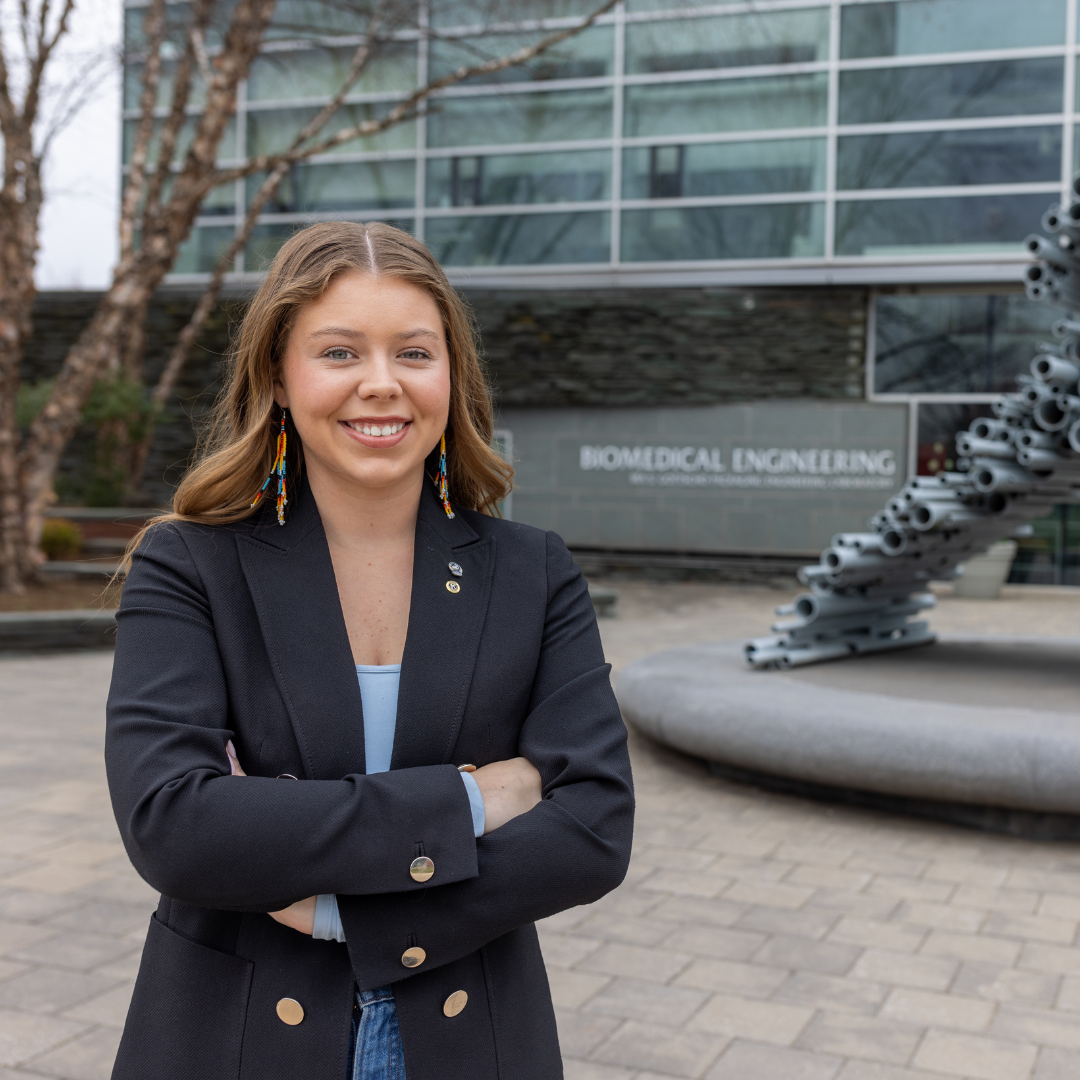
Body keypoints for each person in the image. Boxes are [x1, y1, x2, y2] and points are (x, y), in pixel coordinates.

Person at [104, 221, 635, 1080]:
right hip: (230, 1040)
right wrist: (471, 799)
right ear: (279, 374)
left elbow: (595, 828)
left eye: (414, 354)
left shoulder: (533, 571)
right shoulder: (190, 564)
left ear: (450, 374)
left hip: (472, 1042)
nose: (381, 385)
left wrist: (333, 910)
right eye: (340, 352)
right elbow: (175, 825)